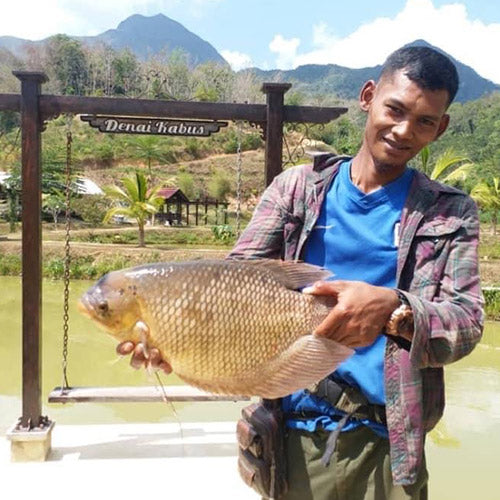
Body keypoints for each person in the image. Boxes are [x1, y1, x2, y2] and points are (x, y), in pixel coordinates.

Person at [118, 45, 484, 499]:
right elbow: (235, 286)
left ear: (441, 127)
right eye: (395, 108)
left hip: (392, 447)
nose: (404, 130)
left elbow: (467, 323)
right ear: (369, 96)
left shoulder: (450, 213)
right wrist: (172, 340)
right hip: (292, 435)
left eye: (425, 121)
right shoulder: (296, 190)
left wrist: (394, 306)